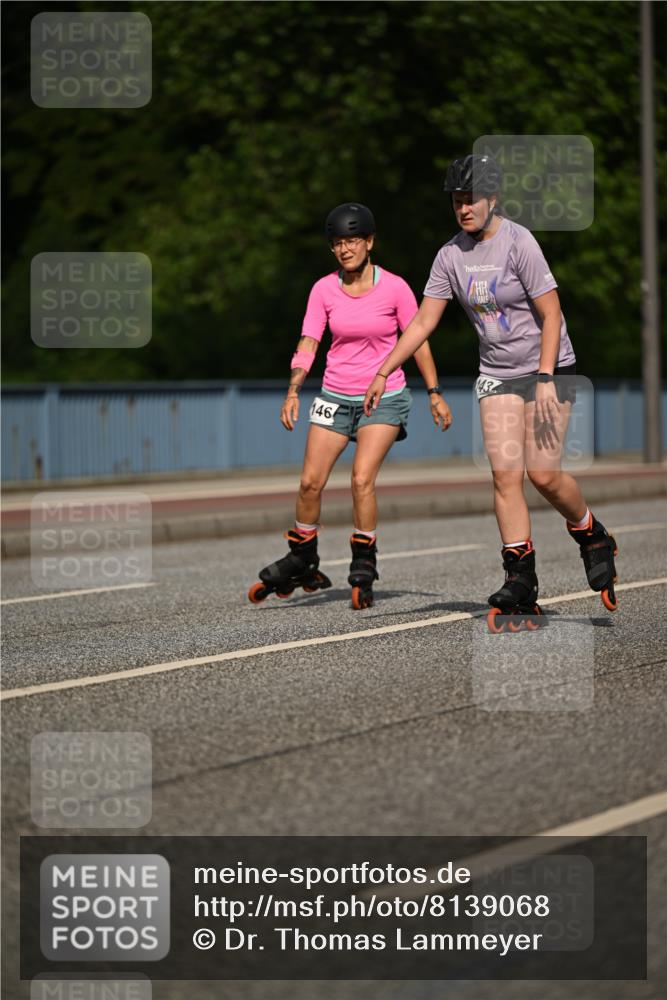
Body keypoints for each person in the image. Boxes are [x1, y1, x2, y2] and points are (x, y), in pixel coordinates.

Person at [364, 155, 618, 630]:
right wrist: (383, 371)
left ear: (493, 199)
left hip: (547, 366)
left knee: (544, 475)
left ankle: (592, 535)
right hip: (498, 372)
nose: (463, 208)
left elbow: (552, 314)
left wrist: (546, 377)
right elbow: (423, 321)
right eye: (457, 201)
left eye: (472, 199)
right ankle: (520, 578)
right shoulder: (449, 256)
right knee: (504, 476)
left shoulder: (519, 242)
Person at [248, 202, 452, 610]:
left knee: (361, 479)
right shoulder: (323, 289)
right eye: (338, 243)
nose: (344, 249)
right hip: (335, 395)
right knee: (310, 482)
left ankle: (363, 563)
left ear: (369, 242)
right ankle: (303, 556)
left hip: (384, 397)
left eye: (353, 241)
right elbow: (309, 340)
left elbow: (418, 340)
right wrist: (293, 389)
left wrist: (434, 392)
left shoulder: (395, 288)